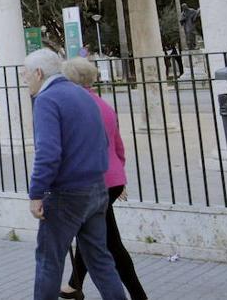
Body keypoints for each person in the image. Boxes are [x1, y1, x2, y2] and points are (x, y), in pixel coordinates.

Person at [24, 48, 126, 300]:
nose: (25, 80)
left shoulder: (47, 100)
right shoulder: (83, 95)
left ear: (39, 73)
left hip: (66, 194)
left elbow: (48, 153)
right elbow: (102, 141)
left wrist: (37, 193)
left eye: (25, 74)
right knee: (100, 260)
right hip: (96, 189)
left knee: (49, 260)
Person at [59, 58, 147, 300]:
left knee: (109, 242)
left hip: (92, 181)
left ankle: (139, 296)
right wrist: (117, 177)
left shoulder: (76, 107)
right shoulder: (104, 106)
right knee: (91, 232)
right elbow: (118, 146)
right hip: (111, 177)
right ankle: (73, 285)